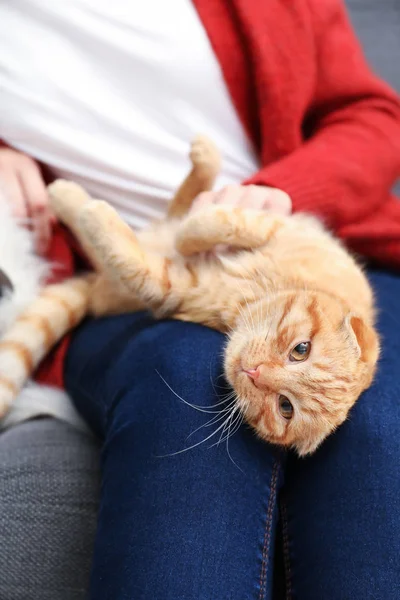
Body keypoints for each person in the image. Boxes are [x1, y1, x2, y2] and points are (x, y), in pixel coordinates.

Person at [0, 1, 400, 599]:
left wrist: (280, 194)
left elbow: (373, 115)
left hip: (311, 253)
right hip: (130, 287)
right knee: (186, 380)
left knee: (371, 427)